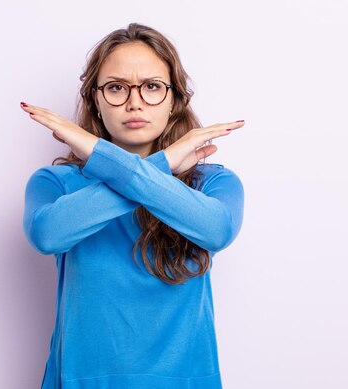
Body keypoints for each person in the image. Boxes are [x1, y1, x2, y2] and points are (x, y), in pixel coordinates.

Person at [21, 22, 245, 389]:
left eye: (153, 87)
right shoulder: (57, 183)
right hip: (81, 380)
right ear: (95, 98)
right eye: (116, 88)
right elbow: (47, 235)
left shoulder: (214, 183)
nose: (134, 101)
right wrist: (164, 164)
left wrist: (105, 156)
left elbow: (216, 230)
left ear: (174, 100)